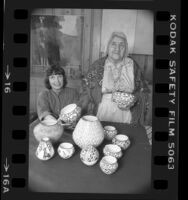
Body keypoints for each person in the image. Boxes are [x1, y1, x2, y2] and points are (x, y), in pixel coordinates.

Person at [83, 32, 150, 125]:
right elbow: (86, 91)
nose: (117, 49)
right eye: (113, 44)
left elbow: (143, 91)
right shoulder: (97, 65)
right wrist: (80, 109)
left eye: (121, 45)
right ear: (108, 46)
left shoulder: (133, 65)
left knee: (125, 137)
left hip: (127, 113)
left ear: (125, 49)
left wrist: (134, 100)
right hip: (102, 112)